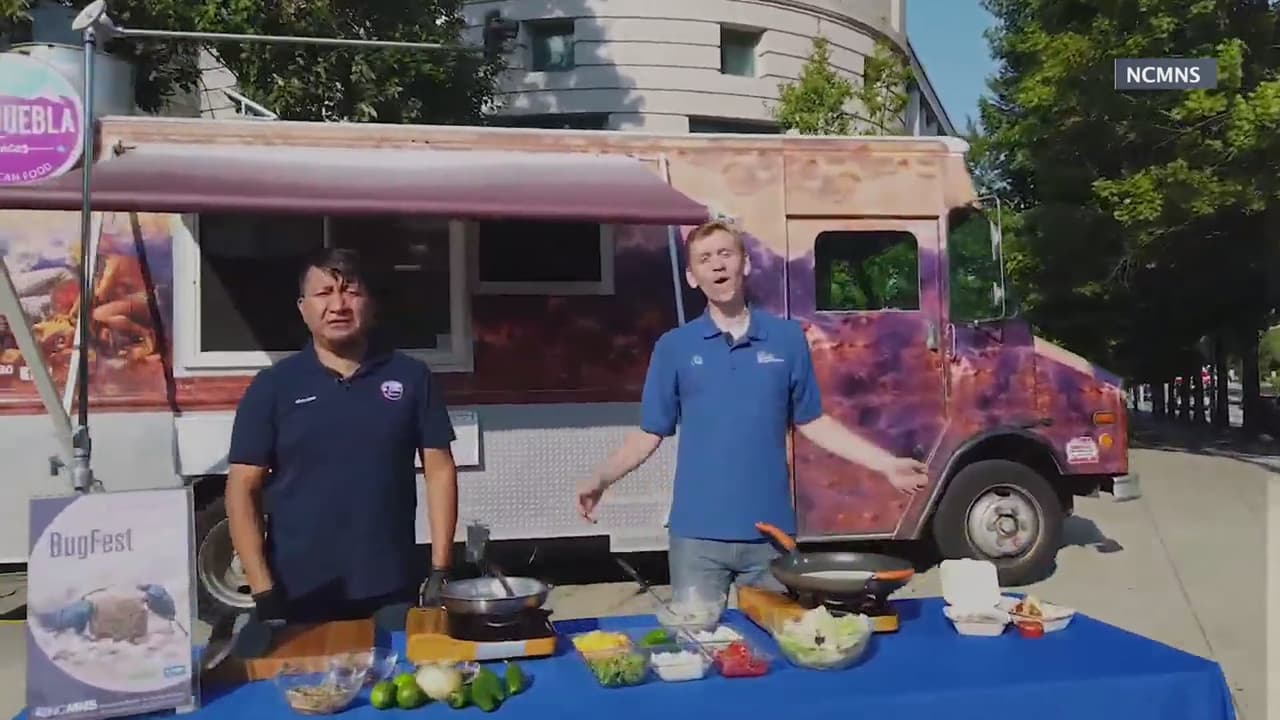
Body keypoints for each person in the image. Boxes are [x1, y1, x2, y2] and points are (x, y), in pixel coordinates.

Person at [576, 220, 928, 602]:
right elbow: (649, 432)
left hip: (770, 536)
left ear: (744, 264)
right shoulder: (674, 347)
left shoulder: (787, 339)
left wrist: (886, 464)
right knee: (698, 635)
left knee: (778, 634)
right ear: (692, 277)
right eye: (704, 259)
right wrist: (601, 479)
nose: (717, 264)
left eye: (725, 254)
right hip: (696, 537)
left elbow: (813, 421)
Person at [225, 246, 458, 638]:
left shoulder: (411, 377)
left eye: (350, 292)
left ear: (370, 304)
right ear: (302, 308)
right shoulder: (273, 387)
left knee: (399, 674)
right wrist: (263, 591)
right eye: (324, 293)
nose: (338, 305)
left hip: (391, 586)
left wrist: (440, 569)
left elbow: (439, 471)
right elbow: (241, 489)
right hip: (299, 592)